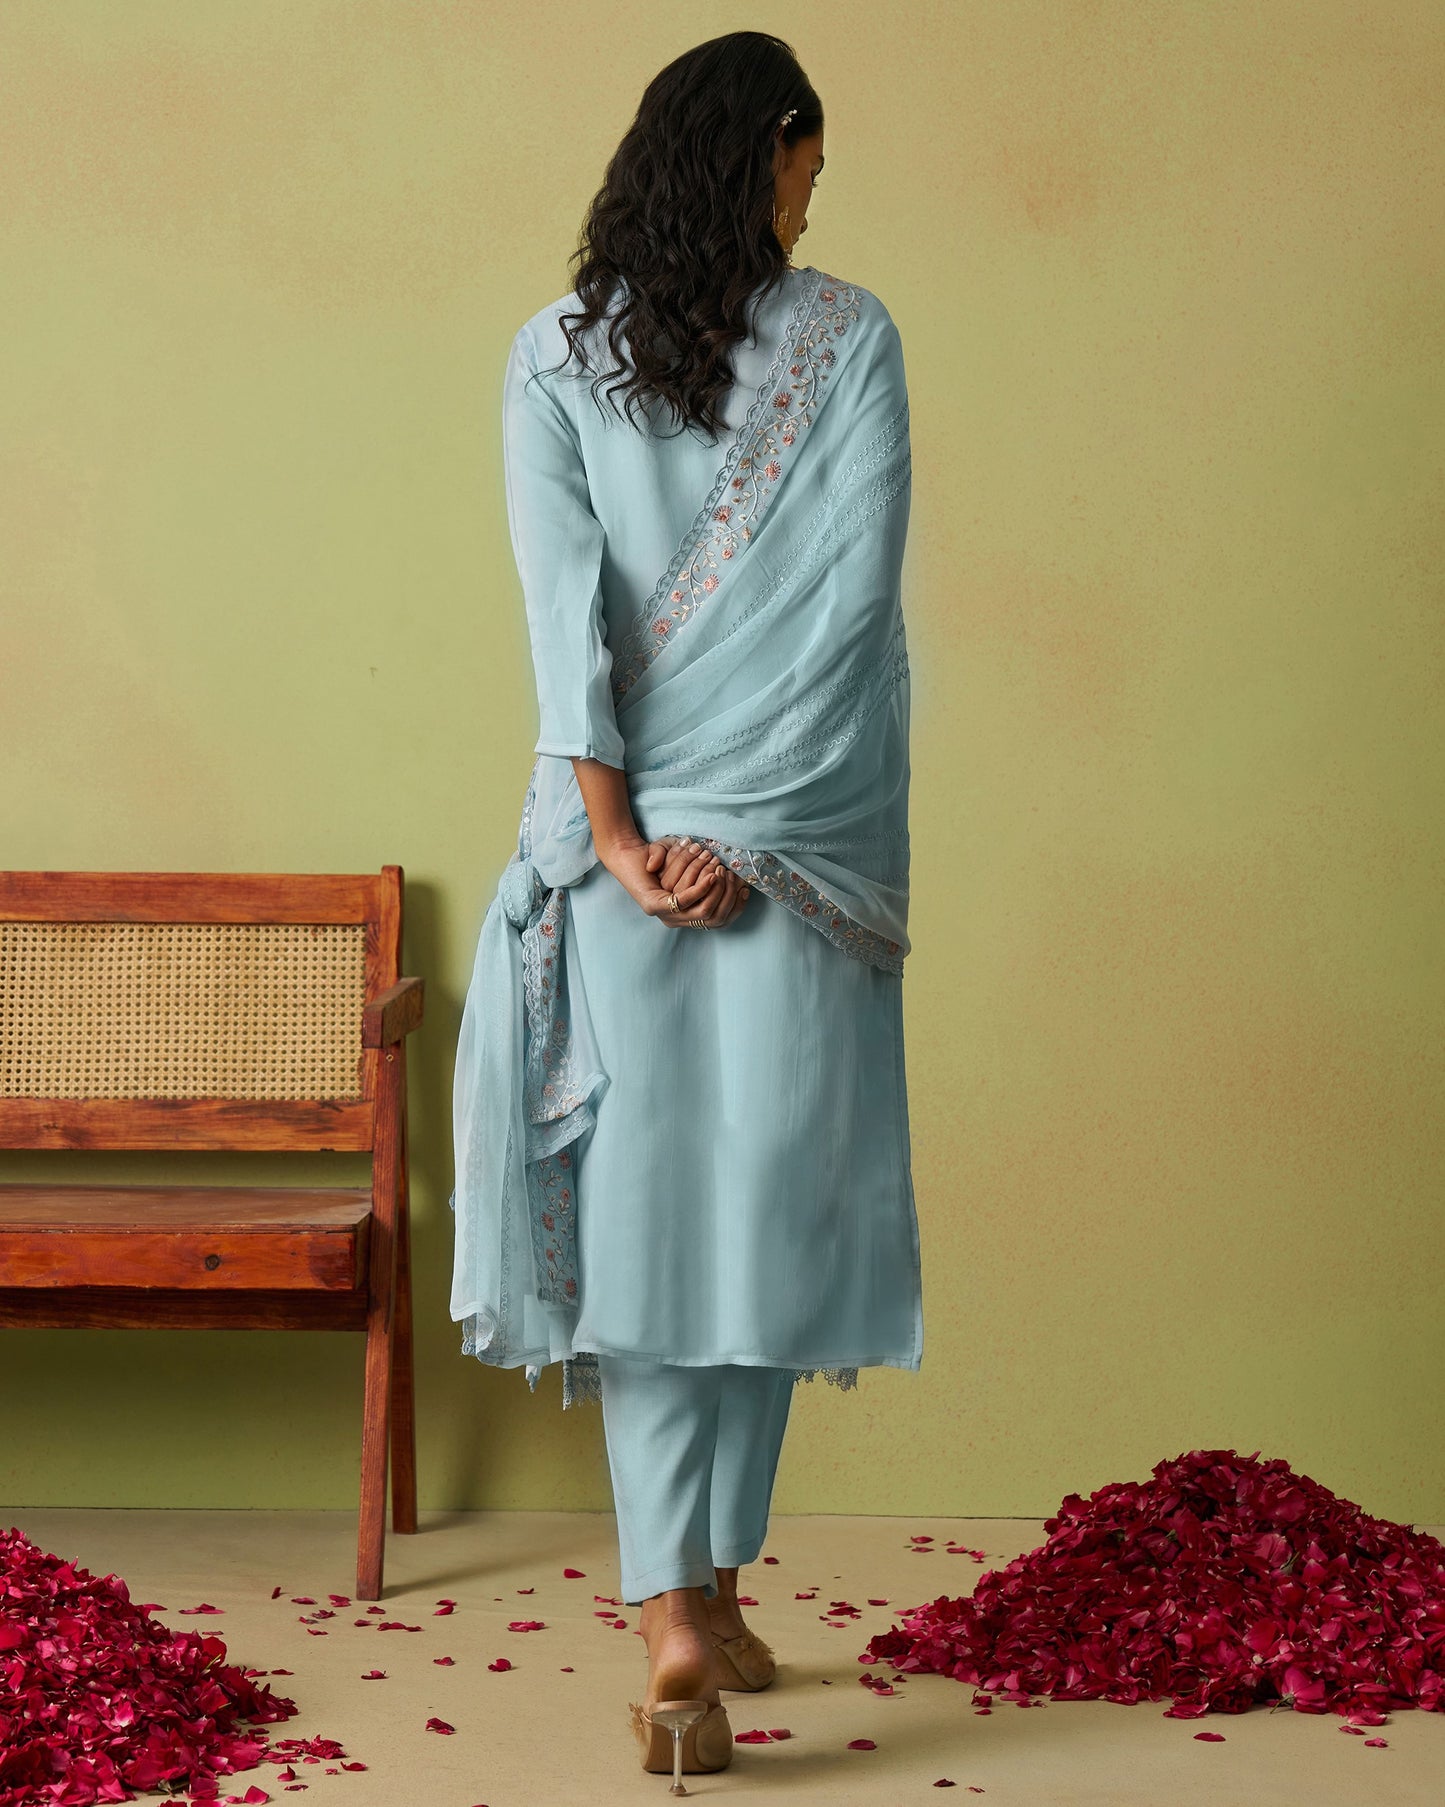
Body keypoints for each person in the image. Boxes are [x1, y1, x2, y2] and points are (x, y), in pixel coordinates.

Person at [449, 30, 923, 1785]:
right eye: (809, 159)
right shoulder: (848, 333)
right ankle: (696, 1597)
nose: (818, 190)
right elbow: (845, 616)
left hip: (616, 859)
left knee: (655, 1243)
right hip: (790, 855)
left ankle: (684, 1609)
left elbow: (560, 623)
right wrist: (741, 834)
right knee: (762, 1229)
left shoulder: (550, 354)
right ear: (768, 153)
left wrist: (630, 839)